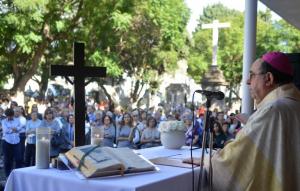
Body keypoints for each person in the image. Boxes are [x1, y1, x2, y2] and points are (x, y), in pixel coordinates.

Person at [207, 52, 300, 190]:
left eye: (252, 75)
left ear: (268, 78)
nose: (247, 81)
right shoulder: (294, 104)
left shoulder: (272, 110)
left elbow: (233, 163)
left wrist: (208, 161)